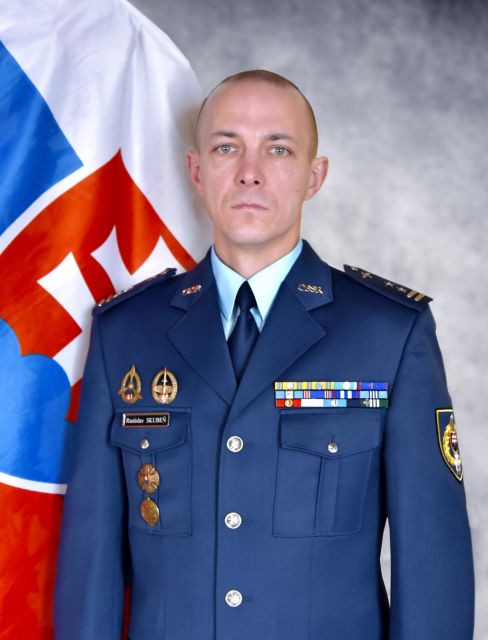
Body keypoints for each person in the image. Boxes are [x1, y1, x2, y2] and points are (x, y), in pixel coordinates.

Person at [55, 70, 475, 639]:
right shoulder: (126, 333)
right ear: (197, 171)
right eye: (226, 147)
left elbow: (432, 564)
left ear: (313, 176)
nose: (249, 172)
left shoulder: (389, 334)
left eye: (278, 149)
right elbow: (90, 567)